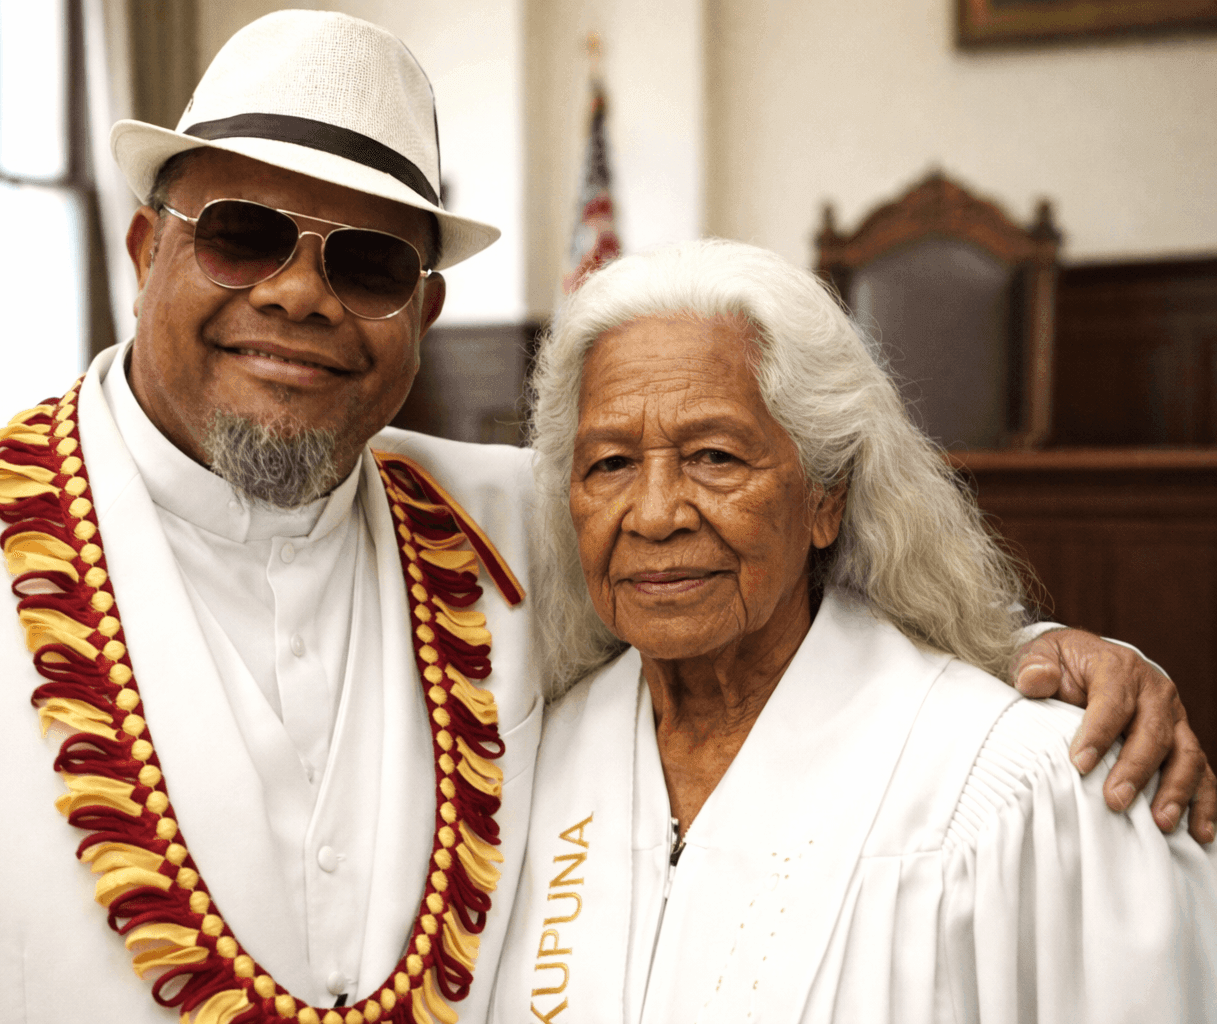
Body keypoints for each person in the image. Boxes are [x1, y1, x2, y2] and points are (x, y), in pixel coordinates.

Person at [0, 12, 1205, 1024]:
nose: (297, 292)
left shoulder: (526, 527)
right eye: (244, 232)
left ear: (423, 310)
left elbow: (785, 581)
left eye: (363, 262)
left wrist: (1053, 656)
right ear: (145, 244)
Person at [493, 239, 1217, 1023]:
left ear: (826, 497)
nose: (656, 512)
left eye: (714, 456)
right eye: (609, 464)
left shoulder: (1019, 785)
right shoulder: (532, 758)